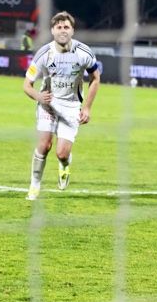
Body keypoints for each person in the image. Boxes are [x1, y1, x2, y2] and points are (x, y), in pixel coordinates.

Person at [21, 11, 100, 201]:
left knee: (62, 153)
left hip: (71, 106)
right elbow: (26, 85)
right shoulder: (44, 53)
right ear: (52, 31)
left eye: (66, 27)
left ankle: (64, 166)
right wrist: (39, 96)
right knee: (44, 145)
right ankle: (34, 185)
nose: (62, 30)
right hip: (48, 104)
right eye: (59, 27)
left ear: (72, 30)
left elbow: (95, 78)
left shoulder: (84, 52)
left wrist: (87, 108)